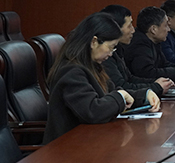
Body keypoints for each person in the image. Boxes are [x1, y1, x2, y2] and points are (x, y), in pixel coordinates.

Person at [44, 13, 160, 144]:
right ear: (94, 42)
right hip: (67, 147)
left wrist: (144, 95)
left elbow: (112, 92)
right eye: (111, 47)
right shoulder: (71, 71)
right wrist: (120, 96)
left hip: (88, 140)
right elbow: (92, 111)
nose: (111, 54)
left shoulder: (91, 65)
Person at [100, 5, 174, 96]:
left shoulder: (118, 49)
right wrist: (156, 87)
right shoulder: (105, 55)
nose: (133, 30)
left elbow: (130, 78)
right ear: (114, 28)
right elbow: (120, 88)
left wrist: (156, 83)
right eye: (129, 26)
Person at [124, 6, 175, 81]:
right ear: (153, 29)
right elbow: (147, 73)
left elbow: (163, 64)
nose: (168, 30)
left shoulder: (155, 40)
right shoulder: (139, 44)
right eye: (166, 26)